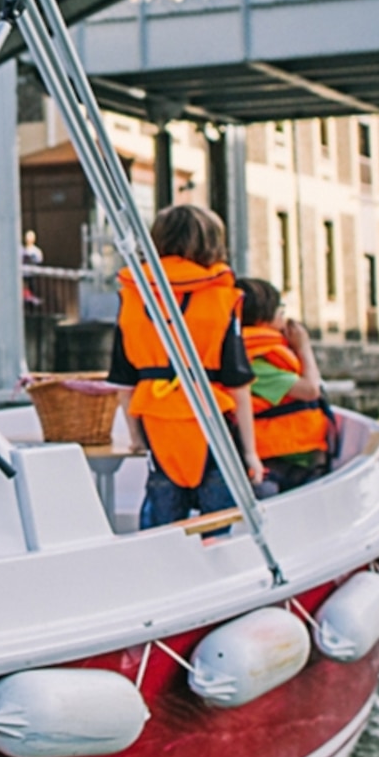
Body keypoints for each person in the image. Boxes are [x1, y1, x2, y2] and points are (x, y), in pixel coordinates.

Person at [110, 203, 259, 528]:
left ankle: (158, 569)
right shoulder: (223, 298)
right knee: (218, 521)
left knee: (163, 516)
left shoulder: (132, 296)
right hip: (209, 421)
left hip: (157, 421)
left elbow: (124, 381)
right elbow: (238, 382)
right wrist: (251, 453)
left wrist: (136, 437)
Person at [236, 278, 332, 493]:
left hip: (293, 456)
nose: (285, 318)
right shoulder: (257, 364)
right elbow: (310, 390)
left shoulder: (255, 354)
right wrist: (304, 347)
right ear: (263, 320)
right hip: (284, 457)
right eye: (280, 312)